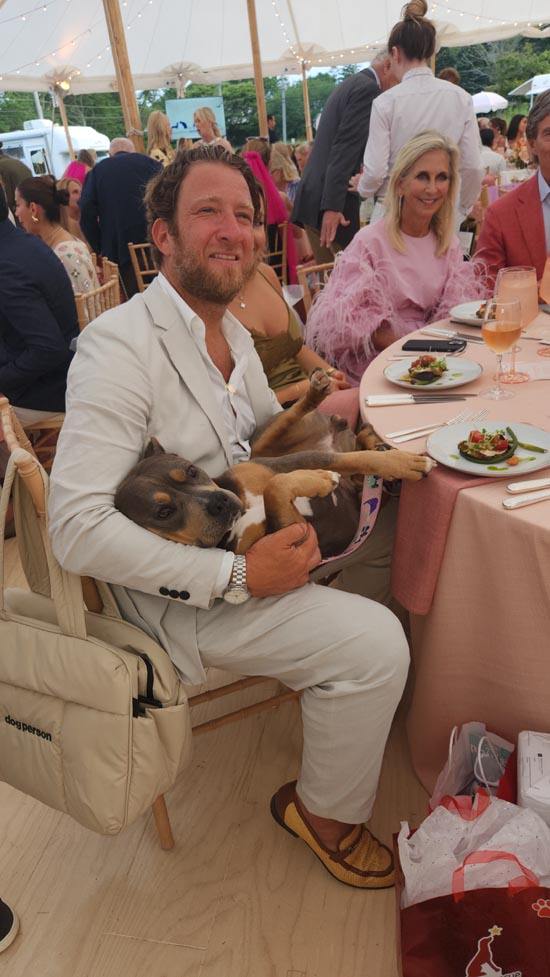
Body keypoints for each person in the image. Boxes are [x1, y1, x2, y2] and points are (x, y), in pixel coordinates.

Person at [48, 144, 416, 890]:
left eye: (245, 216)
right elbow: (76, 526)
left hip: (251, 535)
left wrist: (330, 412)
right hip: (171, 595)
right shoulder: (117, 347)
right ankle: (322, 813)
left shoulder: (233, 334)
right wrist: (238, 571)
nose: (234, 230)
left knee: (403, 526)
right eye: (208, 211)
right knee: (377, 643)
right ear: (164, 235)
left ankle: (341, 691)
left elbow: (257, 439)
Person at [307, 131, 486, 385]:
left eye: (441, 177)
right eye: (422, 176)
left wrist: (435, 354)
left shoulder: (449, 245)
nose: (432, 188)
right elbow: (354, 328)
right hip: (380, 365)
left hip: (436, 360)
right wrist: (421, 352)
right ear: (400, 184)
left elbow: (454, 316)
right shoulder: (370, 242)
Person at [355, 0, 483, 228]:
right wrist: (461, 207)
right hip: (442, 212)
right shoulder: (460, 97)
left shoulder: (385, 103)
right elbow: (472, 166)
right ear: (430, 51)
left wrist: (362, 189)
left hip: (394, 212)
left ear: (395, 53)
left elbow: (375, 172)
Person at [228, 186, 353, 412]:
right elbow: (232, 405)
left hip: (313, 398)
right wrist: (307, 388)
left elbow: (295, 347)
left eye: (256, 222)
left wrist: (332, 373)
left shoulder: (265, 274)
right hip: (274, 420)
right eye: (237, 221)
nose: (245, 234)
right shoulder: (208, 304)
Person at [291, 51, 397, 263]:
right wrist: (332, 205)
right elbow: (345, 148)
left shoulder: (352, 83)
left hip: (315, 195)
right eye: (399, 78)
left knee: (329, 281)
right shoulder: (368, 89)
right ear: (387, 66)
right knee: (346, 280)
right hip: (330, 202)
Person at [0, 183, 78, 420]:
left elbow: (47, 349)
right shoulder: (26, 242)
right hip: (65, 373)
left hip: (47, 391)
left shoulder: (7, 264)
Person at [475, 92, 550, 286]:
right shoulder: (501, 215)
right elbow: (485, 289)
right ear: (532, 145)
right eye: (549, 134)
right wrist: (533, 291)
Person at [79, 137, 161, 298]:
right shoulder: (152, 164)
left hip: (120, 249)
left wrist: (99, 247)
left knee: (135, 299)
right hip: (156, 244)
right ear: (133, 152)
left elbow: (86, 212)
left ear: (110, 154)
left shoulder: (98, 171)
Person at [15, 176, 99, 295]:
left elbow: (83, 309)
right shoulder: (57, 245)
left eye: (18, 205)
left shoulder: (65, 256)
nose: (16, 213)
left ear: (33, 209)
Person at [242, 150, 299, 283]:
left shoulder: (243, 207)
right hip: (281, 270)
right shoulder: (280, 199)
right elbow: (298, 234)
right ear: (269, 165)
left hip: (255, 272)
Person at [0, 144, 32, 216]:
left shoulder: (1, 166)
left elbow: (6, 200)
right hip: (30, 213)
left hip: (15, 216)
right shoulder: (18, 163)